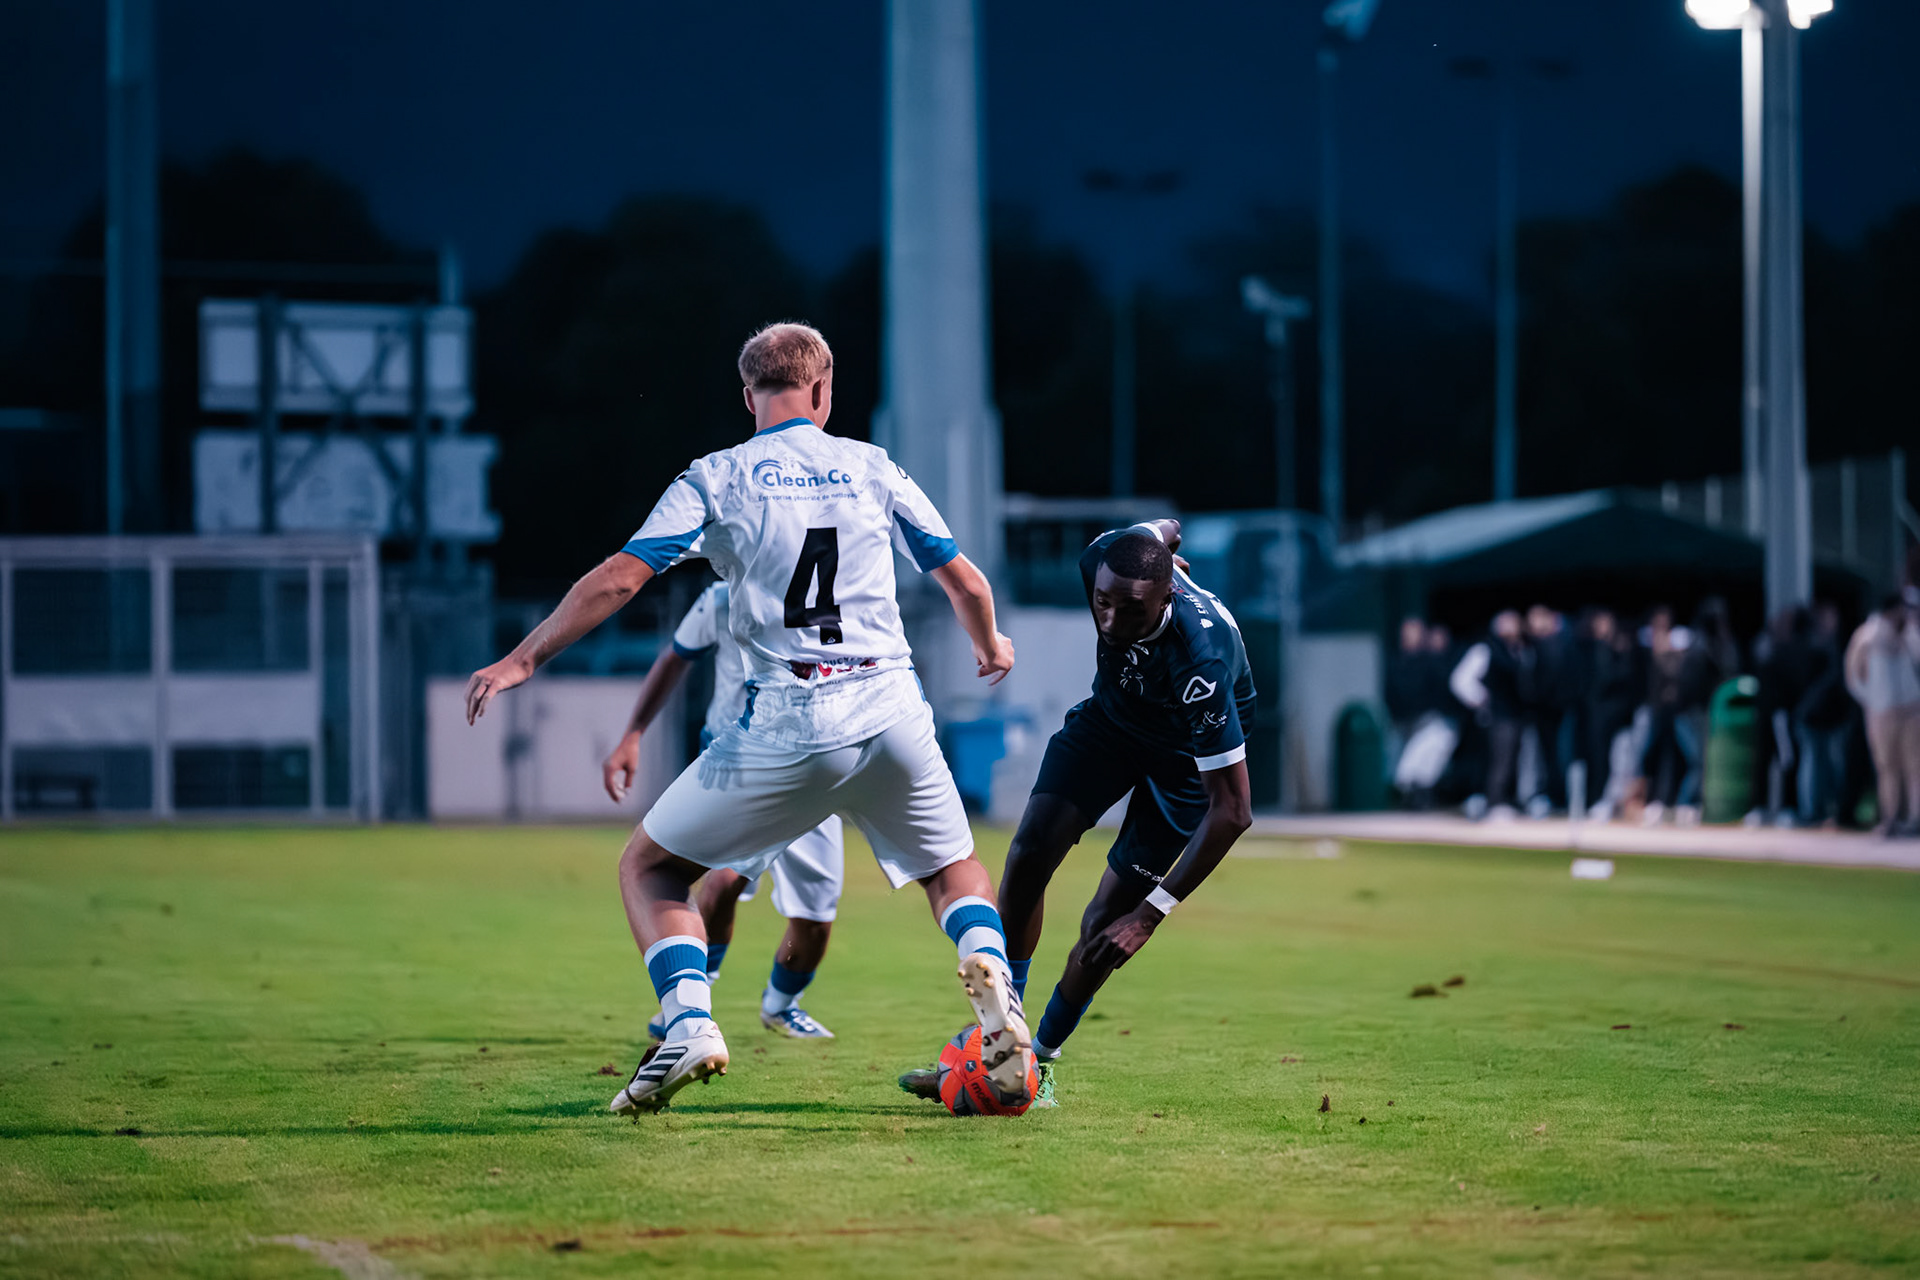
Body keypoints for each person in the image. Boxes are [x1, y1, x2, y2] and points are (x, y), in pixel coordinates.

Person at [465, 322, 1031, 1115]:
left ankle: (691, 1021)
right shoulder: (872, 466)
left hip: (794, 721)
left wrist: (525, 658)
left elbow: (623, 578)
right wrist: (991, 642)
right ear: (825, 390)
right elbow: (964, 580)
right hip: (894, 706)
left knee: (651, 869)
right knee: (954, 872)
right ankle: (992, 976)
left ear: (747, 395)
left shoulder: (716, 477)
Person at [903, 521, 1254, 1109]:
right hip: (1110, 726)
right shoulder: (1102, 560)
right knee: (1028, 852)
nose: (1111, 622)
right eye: (1102, 605)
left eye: (1132, 609)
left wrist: (1150, 915)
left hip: (1184, 766)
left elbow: (1234, 810)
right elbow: (1160, 527)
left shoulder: (1203, 663)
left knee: (1102, 930)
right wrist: (1165, 544)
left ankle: (1035, 1062)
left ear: (1166, 597)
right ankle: (999, 1043)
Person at [602, 580, 843, 1041]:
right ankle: (690, 998)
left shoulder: (821, 591)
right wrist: (633, 732)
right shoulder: (719, 597)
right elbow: (675, 657)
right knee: (726, 878)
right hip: (737, 759)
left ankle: (781, 1004)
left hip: (813, 761)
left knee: (814, 921)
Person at [1845, 596, 1920, 837]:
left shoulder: (1910, 633)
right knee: (1887, 766)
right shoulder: (1867, 635)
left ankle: (1914, 818)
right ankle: (1890, 818)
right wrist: (1872, 701)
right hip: (1883, 712)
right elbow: (1853, 674)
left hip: (1911, 709)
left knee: (1914, 766)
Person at [1450, 610, 1532, 820]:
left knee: (1516, 761)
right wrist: (1482, 700)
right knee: (1499, 761)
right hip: (1498, 715)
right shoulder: (1485, 649)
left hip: (1518, 714)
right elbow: (1460, 681)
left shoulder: (1520, 650)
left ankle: (1509, 801)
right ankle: (1494, 802)